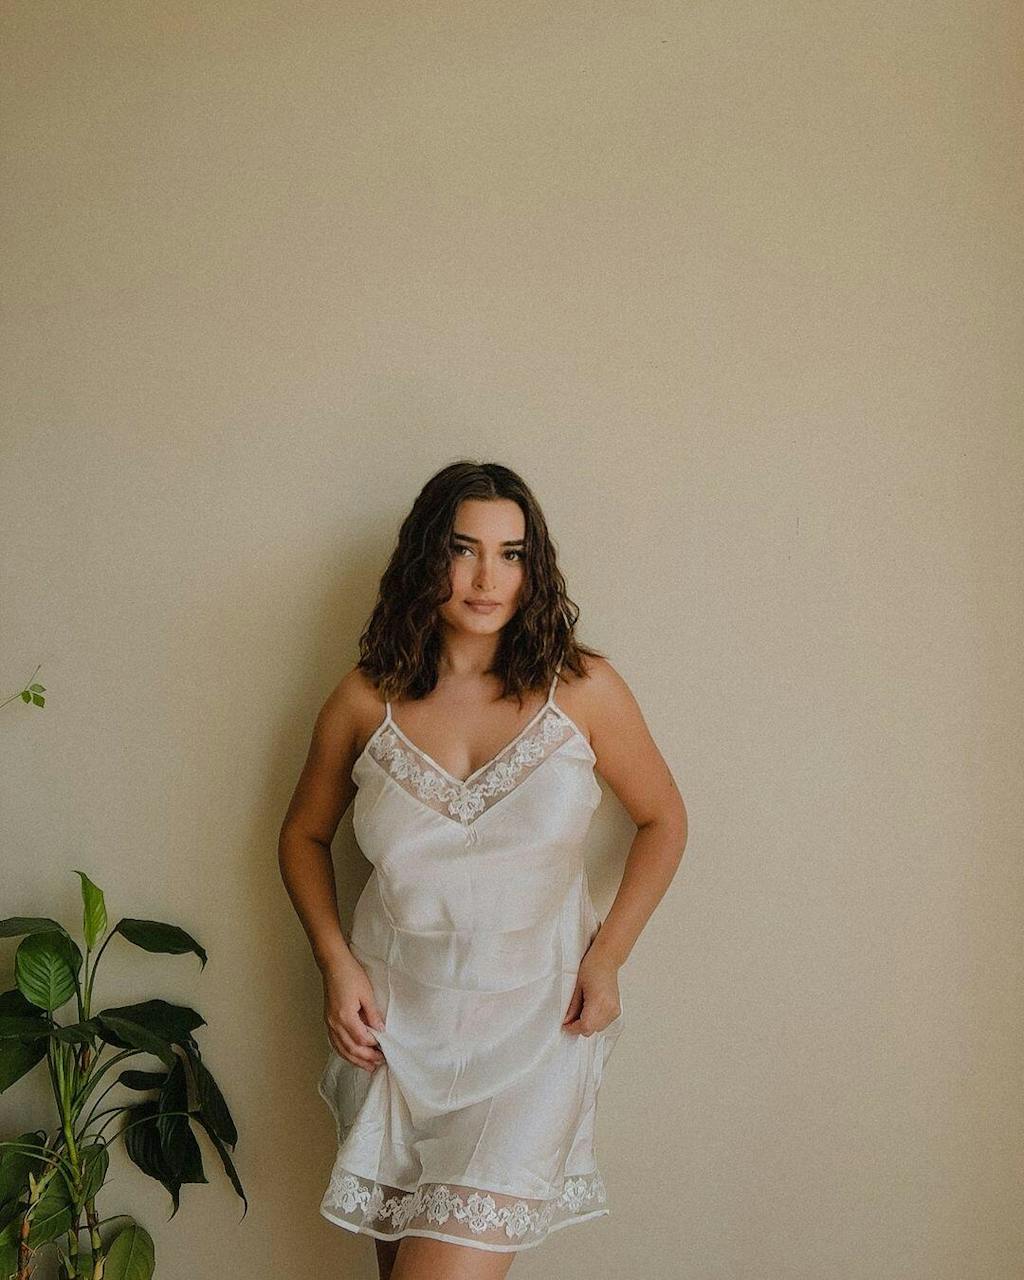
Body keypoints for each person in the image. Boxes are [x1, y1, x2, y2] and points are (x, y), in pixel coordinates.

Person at [279, 460, 688, 1280]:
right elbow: (302, 835)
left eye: (511, 554)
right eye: (463, 550)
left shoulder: (584, 690)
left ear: (534, 569)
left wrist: (608, 957)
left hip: (534, 1031)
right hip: (393, 1033)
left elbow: (664, 820)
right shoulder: (365, 699)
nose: (486, 578)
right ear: (425, 558)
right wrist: (334, 963)